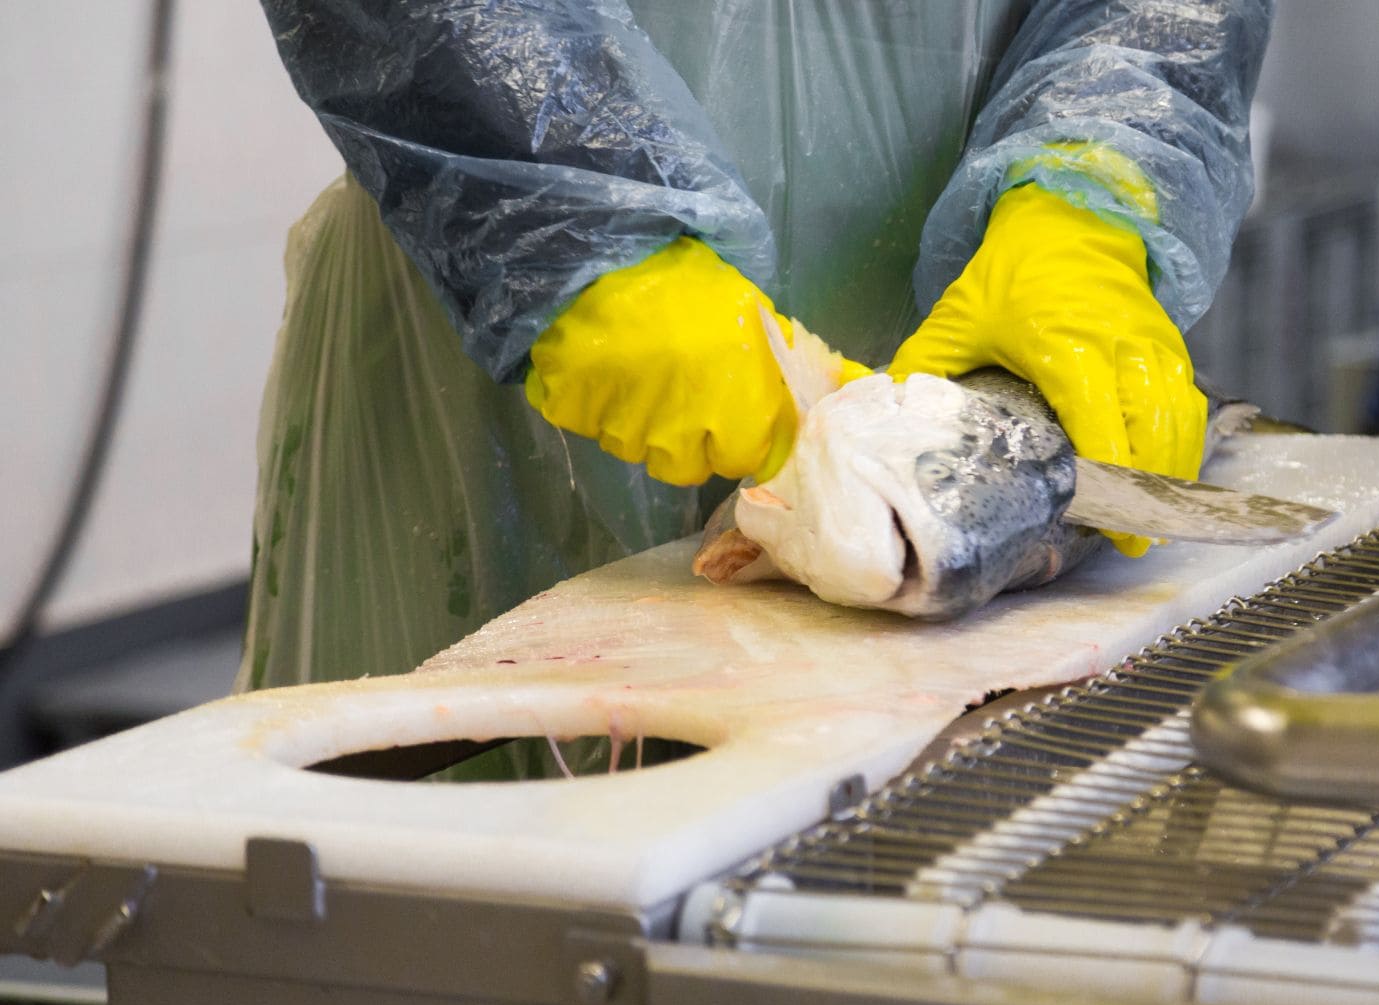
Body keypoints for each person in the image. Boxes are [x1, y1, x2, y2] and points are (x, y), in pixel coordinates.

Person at [244, 0, 1274, 692]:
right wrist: (578, 241)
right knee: (453, 928)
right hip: (489, 373)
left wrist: (1088, 193)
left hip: (979, 319)